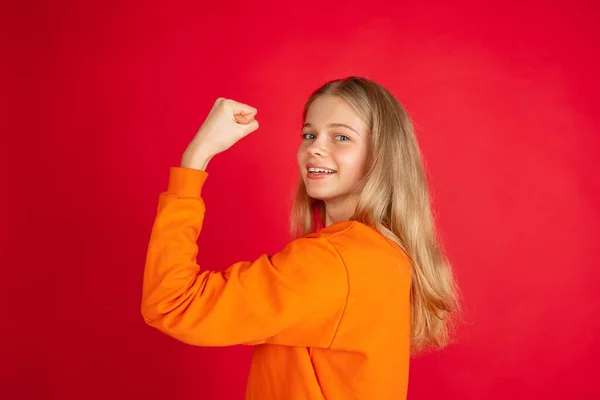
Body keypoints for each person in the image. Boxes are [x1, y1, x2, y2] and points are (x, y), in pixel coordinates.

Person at [141, 76, 460, 399]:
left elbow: (172, 303)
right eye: (309, 134)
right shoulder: (385, 253)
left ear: (381, 156)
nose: (315, 148)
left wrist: (197, 157)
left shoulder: (333, 260)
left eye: (341, 137)